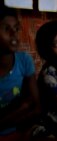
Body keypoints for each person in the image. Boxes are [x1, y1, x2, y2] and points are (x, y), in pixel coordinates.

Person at [0, 6, 40, 137]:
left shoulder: (24, 60)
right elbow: (27, 106)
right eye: (7, 29)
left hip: (20, 131)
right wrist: (22, 108)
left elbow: (36, 105)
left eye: (16, 28)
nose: (14, 34)